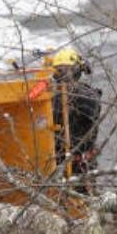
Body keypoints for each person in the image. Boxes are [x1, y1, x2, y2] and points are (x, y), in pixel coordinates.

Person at [48, 48, 102, 181]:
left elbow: (92, 110)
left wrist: (71, 93)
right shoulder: (54, 97)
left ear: (76, 70)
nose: (62, 75)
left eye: (66, 69)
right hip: (58, 164)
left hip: (80, 165)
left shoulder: (87, 96)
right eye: (59, 70)